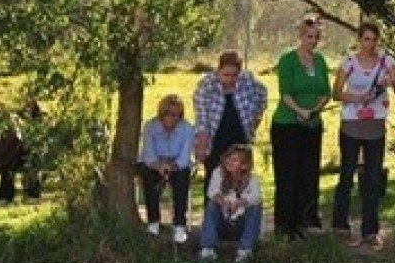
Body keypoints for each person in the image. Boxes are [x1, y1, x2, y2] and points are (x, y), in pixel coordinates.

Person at [331, 21, 395, 248]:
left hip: (375, 125)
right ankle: (340, 226)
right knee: (347, 176)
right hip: (351, 124)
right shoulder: (349, 62)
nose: (370, 44)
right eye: (366, 39)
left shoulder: (386, 61)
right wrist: (356, 98)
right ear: (359, 39)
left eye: (373, 39)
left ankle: (370, 231)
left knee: (372, 179)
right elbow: (336, 93)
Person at [271, 15, 332, 239]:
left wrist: (314, 110)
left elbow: (326, 92)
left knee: (309, 173)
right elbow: (285, 92)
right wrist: (299, 110)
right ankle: (286, 225)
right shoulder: (288, 60)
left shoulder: (320, 61)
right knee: (288, 175)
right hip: (287, 124)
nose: (312, 41)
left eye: (316, 37)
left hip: (312, 124)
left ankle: (308, 220)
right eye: (308, 36)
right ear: (300, 36)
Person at [192, 49, 268, 191]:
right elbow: (202, 118)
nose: (230, 79)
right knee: (214, 182)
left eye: (234, 75)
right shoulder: (206, 86)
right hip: (215, 140)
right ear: (218, 70)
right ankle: (213, 212)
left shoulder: (248, 81)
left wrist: (256, 118)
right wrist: (201, 146)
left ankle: (239, 211)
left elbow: (262, 95)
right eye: (226, 74)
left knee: (240, 180)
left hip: (240, 139)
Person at [135, 93, 195, 243]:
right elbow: (148, 156)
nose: (170, 117)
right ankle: (153, 221)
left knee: (182, 178)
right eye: (166, 113)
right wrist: (160, 166)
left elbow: (184, 157)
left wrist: (172, 167)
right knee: (149, 177)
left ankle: (179, 225)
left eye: (175, 115)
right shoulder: (150, 126)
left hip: (177, 165)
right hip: (155, 164)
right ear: (160, 114)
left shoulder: (187, 129)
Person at [200, 143, 263, 263]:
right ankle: (207, 249)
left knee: (255, 206)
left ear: (244, 165)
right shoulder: (218, 173)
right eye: (228, 157)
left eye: (234, 160)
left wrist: (240, 203)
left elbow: (256, 197)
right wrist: (224, 203)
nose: (229, 161)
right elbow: (212, 192)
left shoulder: (252, 180)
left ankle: (244, 251)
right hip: (223, 224)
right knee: (212, 204)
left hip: (241, 226)